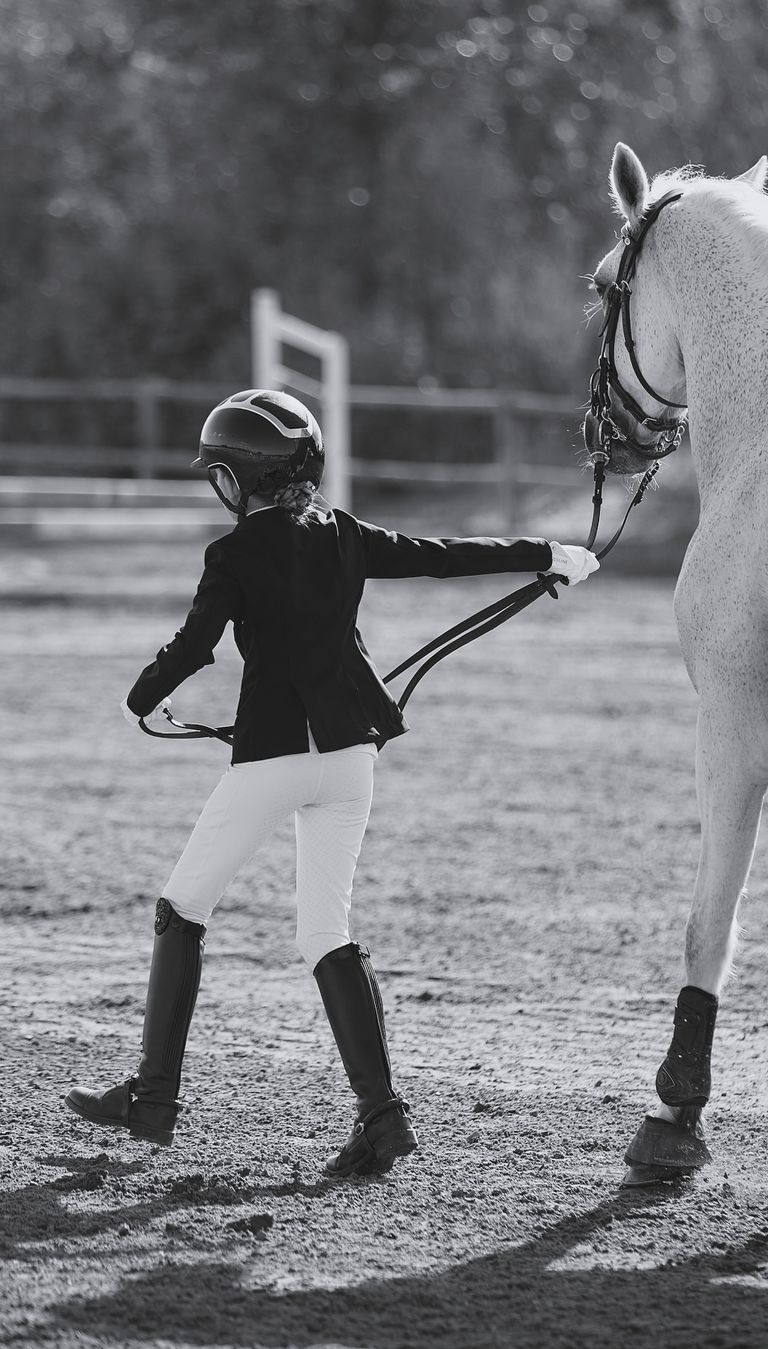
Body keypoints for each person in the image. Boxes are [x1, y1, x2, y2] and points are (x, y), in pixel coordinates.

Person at [65, 388, 598, 1178]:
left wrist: (140, 697)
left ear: (243, 478)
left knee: (182, 910)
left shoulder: (233, 554)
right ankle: (382, 1120)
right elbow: (442, 555)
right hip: (352, 758)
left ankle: (152, 1098)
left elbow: (194, 645)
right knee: (326, 932)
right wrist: (546, 555)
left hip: (273, 757)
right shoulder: (344, 532)